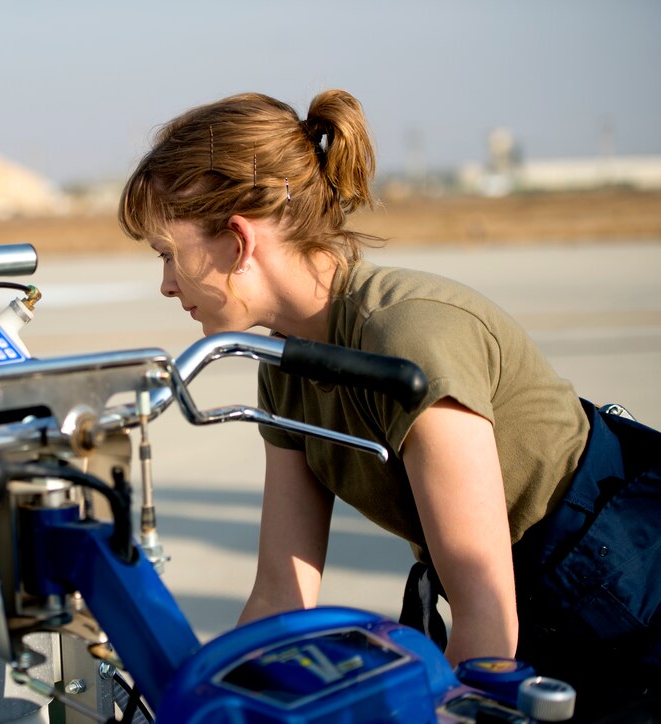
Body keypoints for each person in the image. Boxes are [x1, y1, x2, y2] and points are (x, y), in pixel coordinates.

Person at [117, 89, 659, 720]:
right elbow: (282, 595)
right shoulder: (287, 366)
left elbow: (486, 618)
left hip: (619, 585)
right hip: (537, 596)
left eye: (168, 254)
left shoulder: (407, 339)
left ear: (237, 240)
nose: (166, 284)